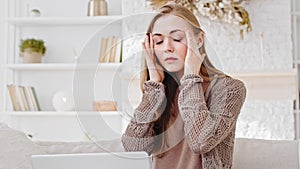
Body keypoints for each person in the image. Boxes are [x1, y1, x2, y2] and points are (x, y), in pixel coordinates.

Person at [121, 3, 246, 169]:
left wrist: (190, 78)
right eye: (158, 41)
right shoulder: (159, 93)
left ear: (199, 40)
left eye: (177, 39)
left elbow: (201, 141)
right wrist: (153, 87)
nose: (167, 48)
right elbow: (132, 148)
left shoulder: (230, 89)